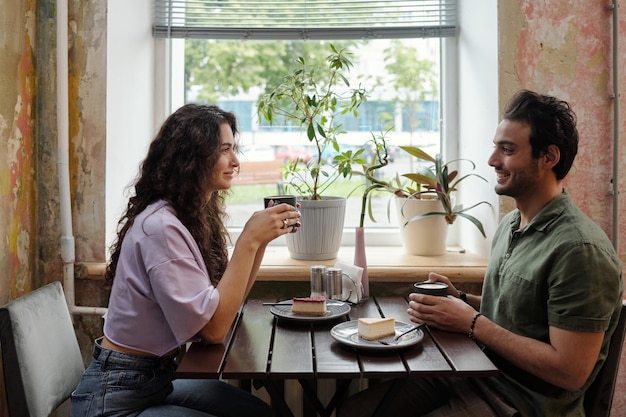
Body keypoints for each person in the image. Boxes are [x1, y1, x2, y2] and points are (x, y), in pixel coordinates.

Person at [338, 90, 623, 417]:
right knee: (354, 411)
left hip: (520, 403)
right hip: (474, 374)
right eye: (496, 147)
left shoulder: (580, 251)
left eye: (508, 149)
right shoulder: (511, 225)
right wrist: (458, 298)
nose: (492, 160)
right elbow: (516, 315)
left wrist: (471, 323)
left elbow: (570, 371)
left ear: (549, 157)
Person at [71, 104, 301, 416]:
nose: (235, 162)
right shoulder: (161, 229)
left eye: (234, 149)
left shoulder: (184, 216)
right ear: (193, 157)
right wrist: (249, 239)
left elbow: (222, 309)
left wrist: (260, 242)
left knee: (261, 413)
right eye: (224, 150)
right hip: (116, 396)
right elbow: (214, 330)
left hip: (152, 381)